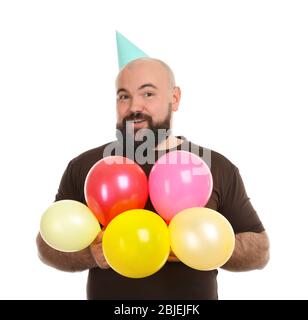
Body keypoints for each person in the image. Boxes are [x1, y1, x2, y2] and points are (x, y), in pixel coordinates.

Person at [36, 57, 270, 300]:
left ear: (174, 98)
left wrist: (204, 246)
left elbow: (260, 249)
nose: (134, 106)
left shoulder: (214, 166)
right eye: (124, 96)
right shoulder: (88, 166)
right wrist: (91, 254)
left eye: (148, 94)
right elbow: (47, 246)